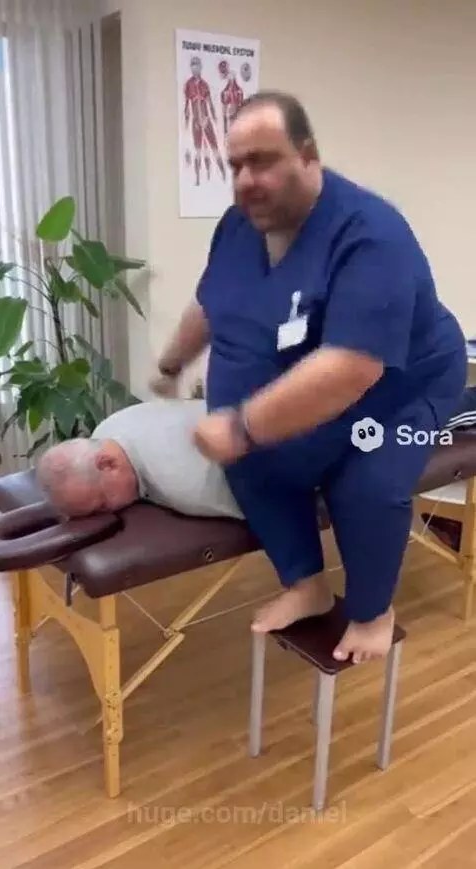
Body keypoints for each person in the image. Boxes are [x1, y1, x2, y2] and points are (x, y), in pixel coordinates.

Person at [150, 89, 467, 665]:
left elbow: (352, 368)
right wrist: (172, 364)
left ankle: (373, 613)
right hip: (321, 383)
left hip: (405, 386)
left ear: (308, 154)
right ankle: (306, 584)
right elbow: (211, 301)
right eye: (236, 165)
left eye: (263, 160)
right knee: (256, 461)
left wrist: (243, 425)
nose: (247, 179)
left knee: (365, 482)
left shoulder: (372, 234)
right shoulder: (239, 225)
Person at [35, 398, 244, 521]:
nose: (109, 512)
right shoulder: (105, 430)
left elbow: (264, 506)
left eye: (103, 505)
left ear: (107, 463)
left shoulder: (184, 484)